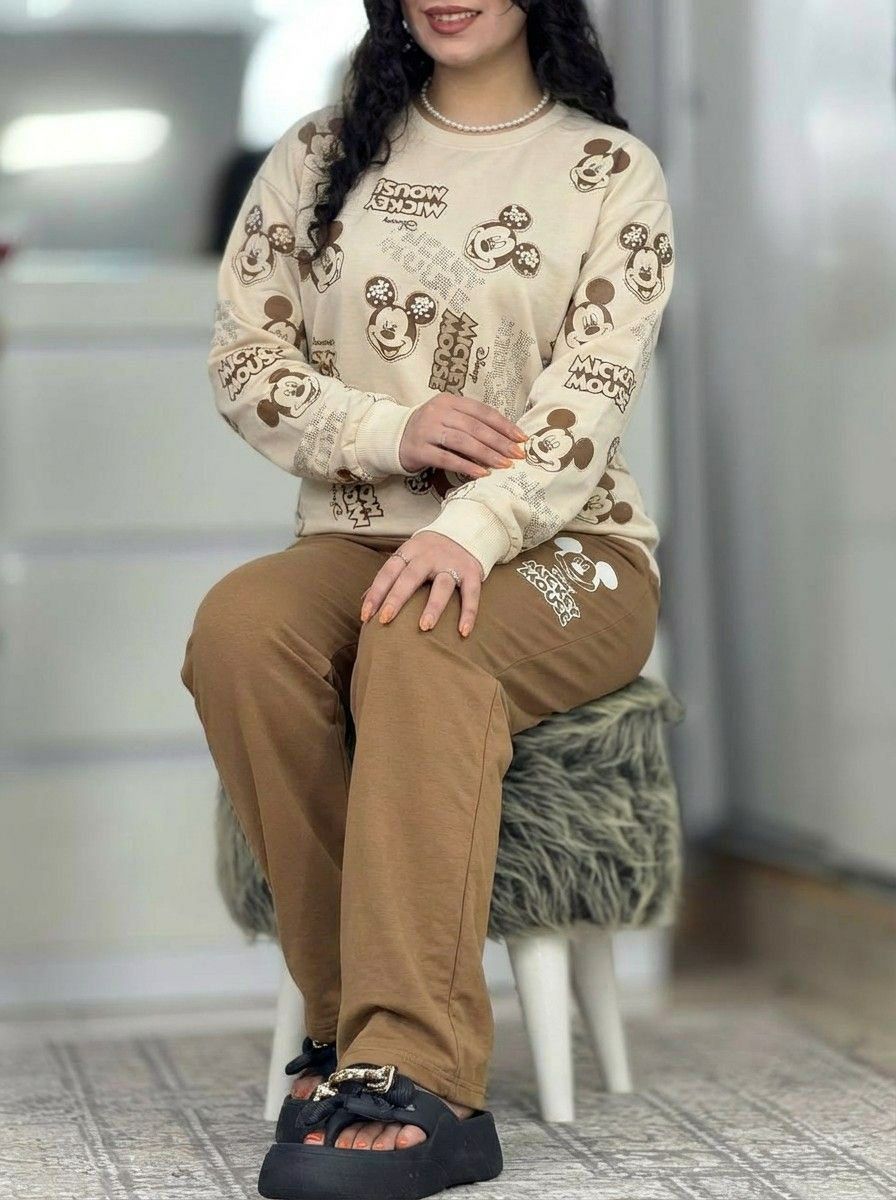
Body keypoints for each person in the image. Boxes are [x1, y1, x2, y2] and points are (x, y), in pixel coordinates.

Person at [181, 1, 675, 1196]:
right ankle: (351, 1029)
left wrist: (473, 526)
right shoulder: (319, 153)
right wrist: (389, 430)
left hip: (567, 554)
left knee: (420, 636)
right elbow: (244, 361)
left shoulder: (608, 172)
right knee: (241, 630)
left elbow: (588, 395)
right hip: (361, 537)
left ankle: (425, 1079)